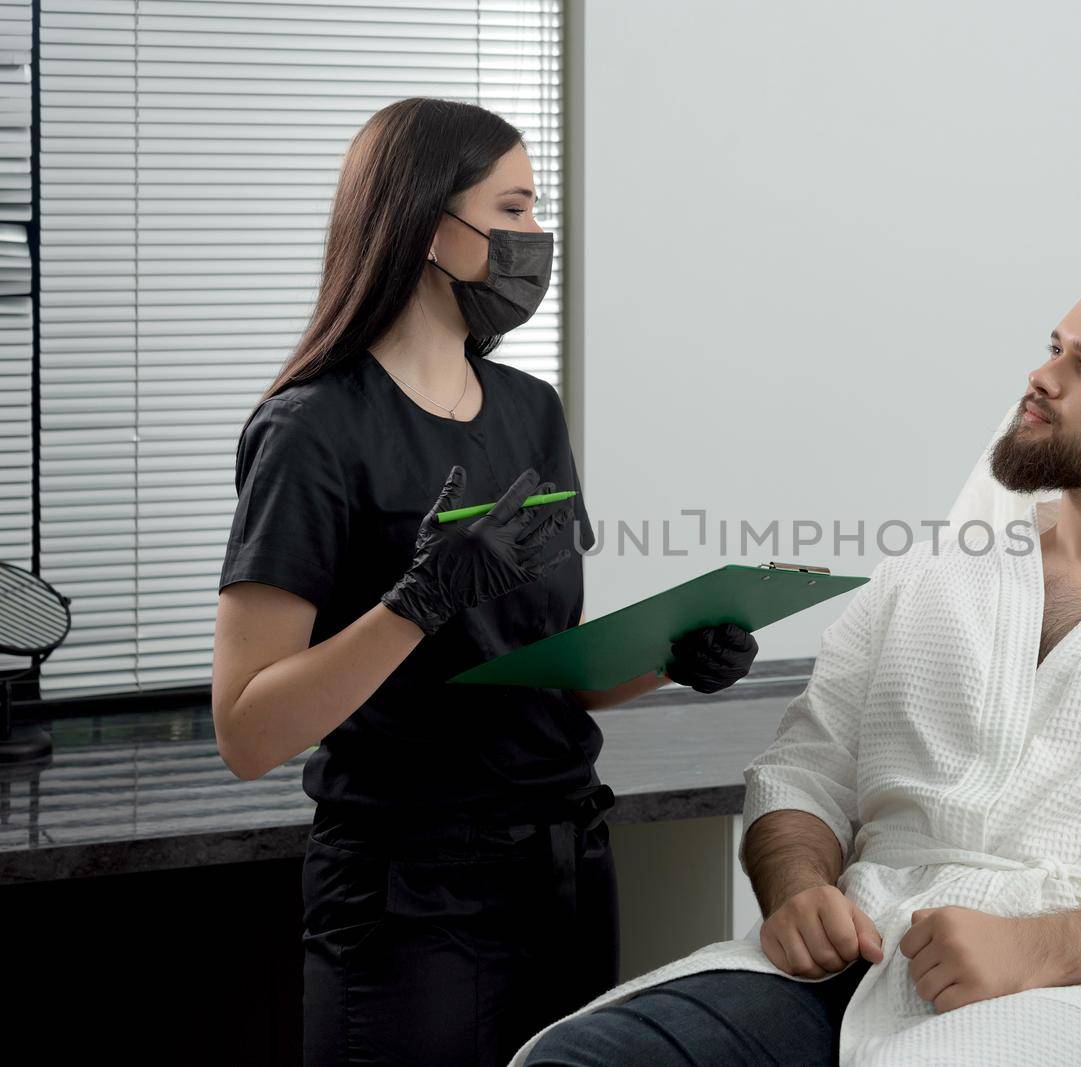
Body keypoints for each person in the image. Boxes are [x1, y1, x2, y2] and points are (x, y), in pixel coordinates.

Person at [514, 256, 1081, 1066]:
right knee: (579, 1055)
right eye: (1054, 346)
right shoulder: (926, 578)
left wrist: (1037, 948)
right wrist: (800, 889)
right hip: (855, 957)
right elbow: (803, 773)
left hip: (1075, 992)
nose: (1043, 377)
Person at [210, 98, 758, 1067]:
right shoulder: (311, 431)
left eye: (537, 209)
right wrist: (414, 603)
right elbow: (250, 730)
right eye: (513, 210)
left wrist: (674, 655)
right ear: (430, 227)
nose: (537, 236)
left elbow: (553, 668)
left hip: (564, 859)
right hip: (408, 891)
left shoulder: (528, 411)